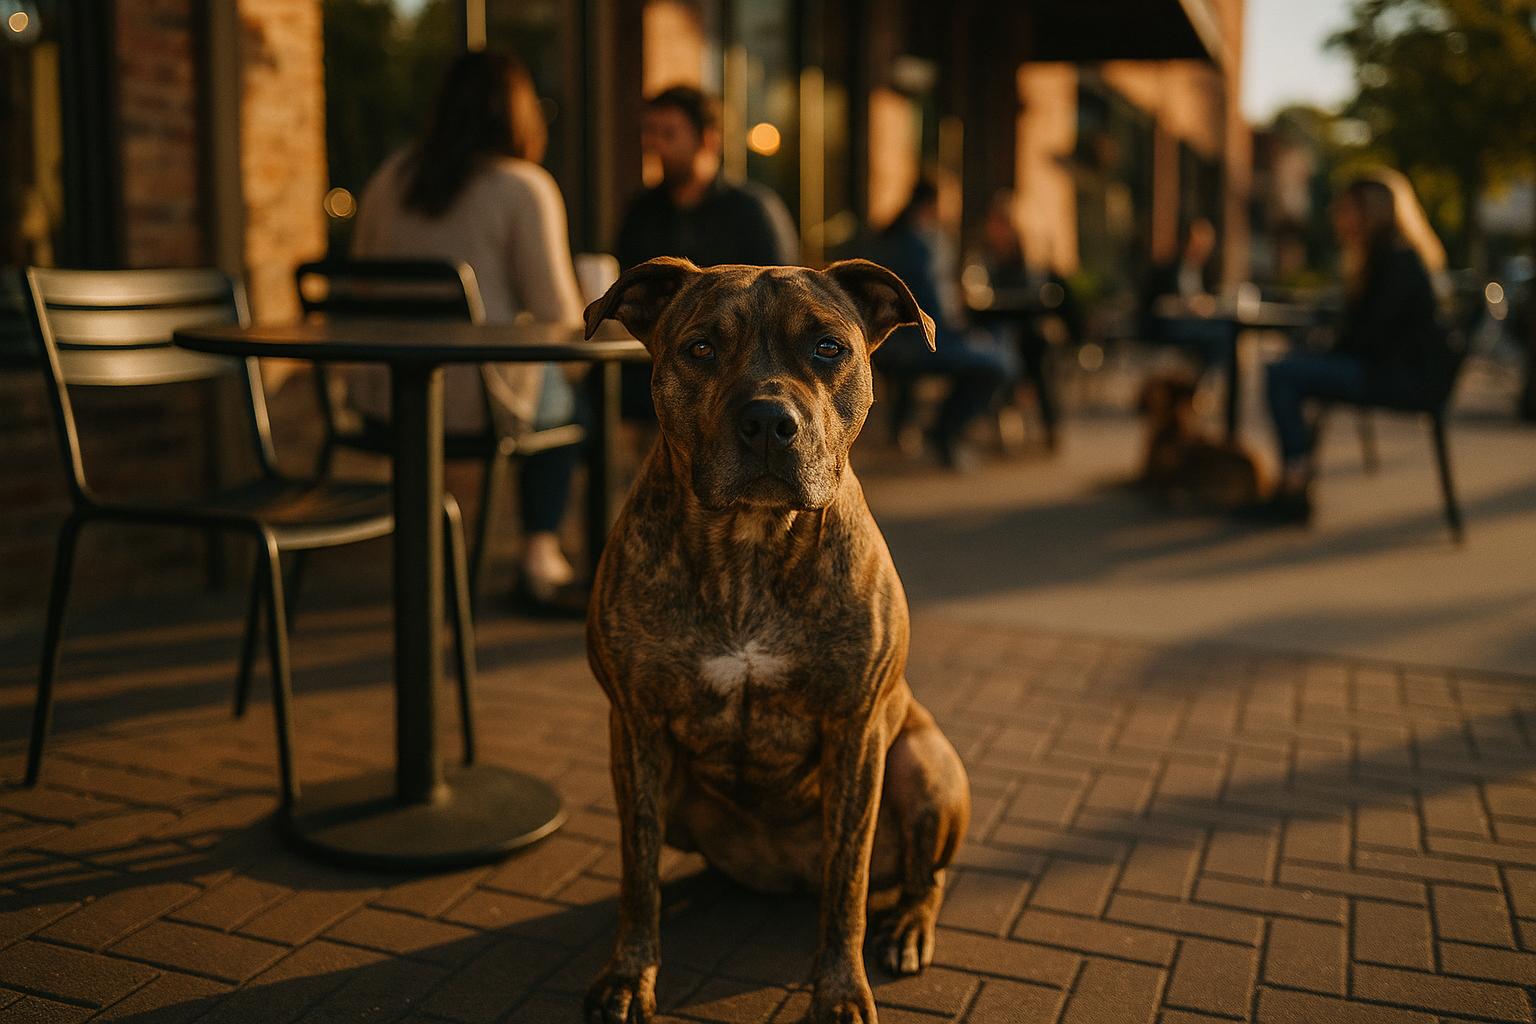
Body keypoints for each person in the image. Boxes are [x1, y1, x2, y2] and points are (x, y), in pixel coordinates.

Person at [349, 50, 589, 615]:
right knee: (579, 404)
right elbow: (558, 315)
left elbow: (361, 291)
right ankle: (539, 554)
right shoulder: (523, 187)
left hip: (386, 400)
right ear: (519, 113)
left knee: (554, 389)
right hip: (476, 403)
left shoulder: (390, 177)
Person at [1256, 170, 1452, 523]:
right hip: (1394, 370)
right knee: (1291, 367)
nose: (1339, 217)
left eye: (1346, 210)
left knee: (1282, 374)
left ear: (1369, 213)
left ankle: (1294, 484)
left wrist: (1325, 347)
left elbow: (1368, 338)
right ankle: (1295, 479)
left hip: (1398, 378)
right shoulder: (1392, 257)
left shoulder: (1394, 261)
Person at [613, 85, 798, 418]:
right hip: (646, 366)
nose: (654, 144)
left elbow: (782, 298)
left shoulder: (754, 211)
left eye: (668, 133)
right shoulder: (641, 210)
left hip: (737, 377)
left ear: (708, 140)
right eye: (650, 132)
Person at [874, 180, 1010, 468]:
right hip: (919, 342)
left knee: (994, 347)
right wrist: (962, 328)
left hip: (894, 343)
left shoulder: (899, 238)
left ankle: (930, 429)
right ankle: (946, 431)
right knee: (996, 364)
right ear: (931, 205)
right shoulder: (919, 245)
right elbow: (931, 308)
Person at [975, 192, 1082, 451]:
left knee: (1038, 350)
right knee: (1009, 348)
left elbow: (1045, 294)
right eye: (996, 223)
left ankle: (1045, 423)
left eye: (1004, 223)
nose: (999, 229)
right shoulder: (983, 257)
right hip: (995, 326)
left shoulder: (1029, 257)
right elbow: (977, 297)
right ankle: (1011, 416)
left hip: (1027, 329)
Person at [1140, 217, 1236, 377]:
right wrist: (1186, 305)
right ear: (1186, 242)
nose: (1202, 249)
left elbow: (1212, 298)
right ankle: (1205, 381)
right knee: (1218, 336)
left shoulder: (1207, 271)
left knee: (1225, 331)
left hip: (1197, 325)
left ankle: (1208, 381)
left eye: (1206, 245)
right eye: (1198, 243)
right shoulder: (1166, 269)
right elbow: (1154, 303)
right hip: (1168, 327)